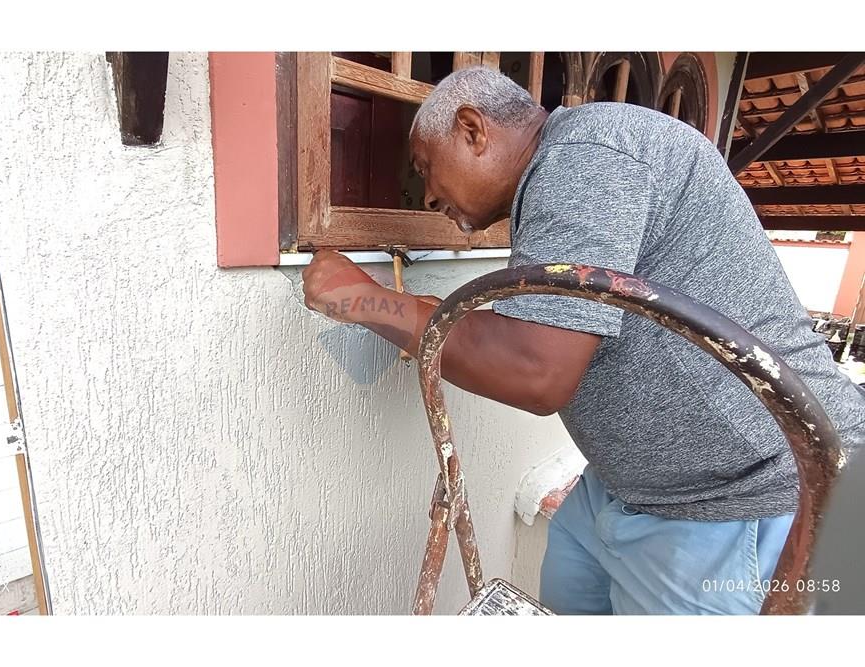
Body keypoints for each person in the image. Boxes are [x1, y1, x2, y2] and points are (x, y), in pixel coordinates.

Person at [301, 66, 865, 614]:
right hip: (630, 487)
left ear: (473, 130)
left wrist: (360, 299)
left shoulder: (584, 158)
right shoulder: (569, 163)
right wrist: (425, 311)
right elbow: (540, 328)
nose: (426, 197)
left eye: (426, 168)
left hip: (734, 503)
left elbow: (535, 370)